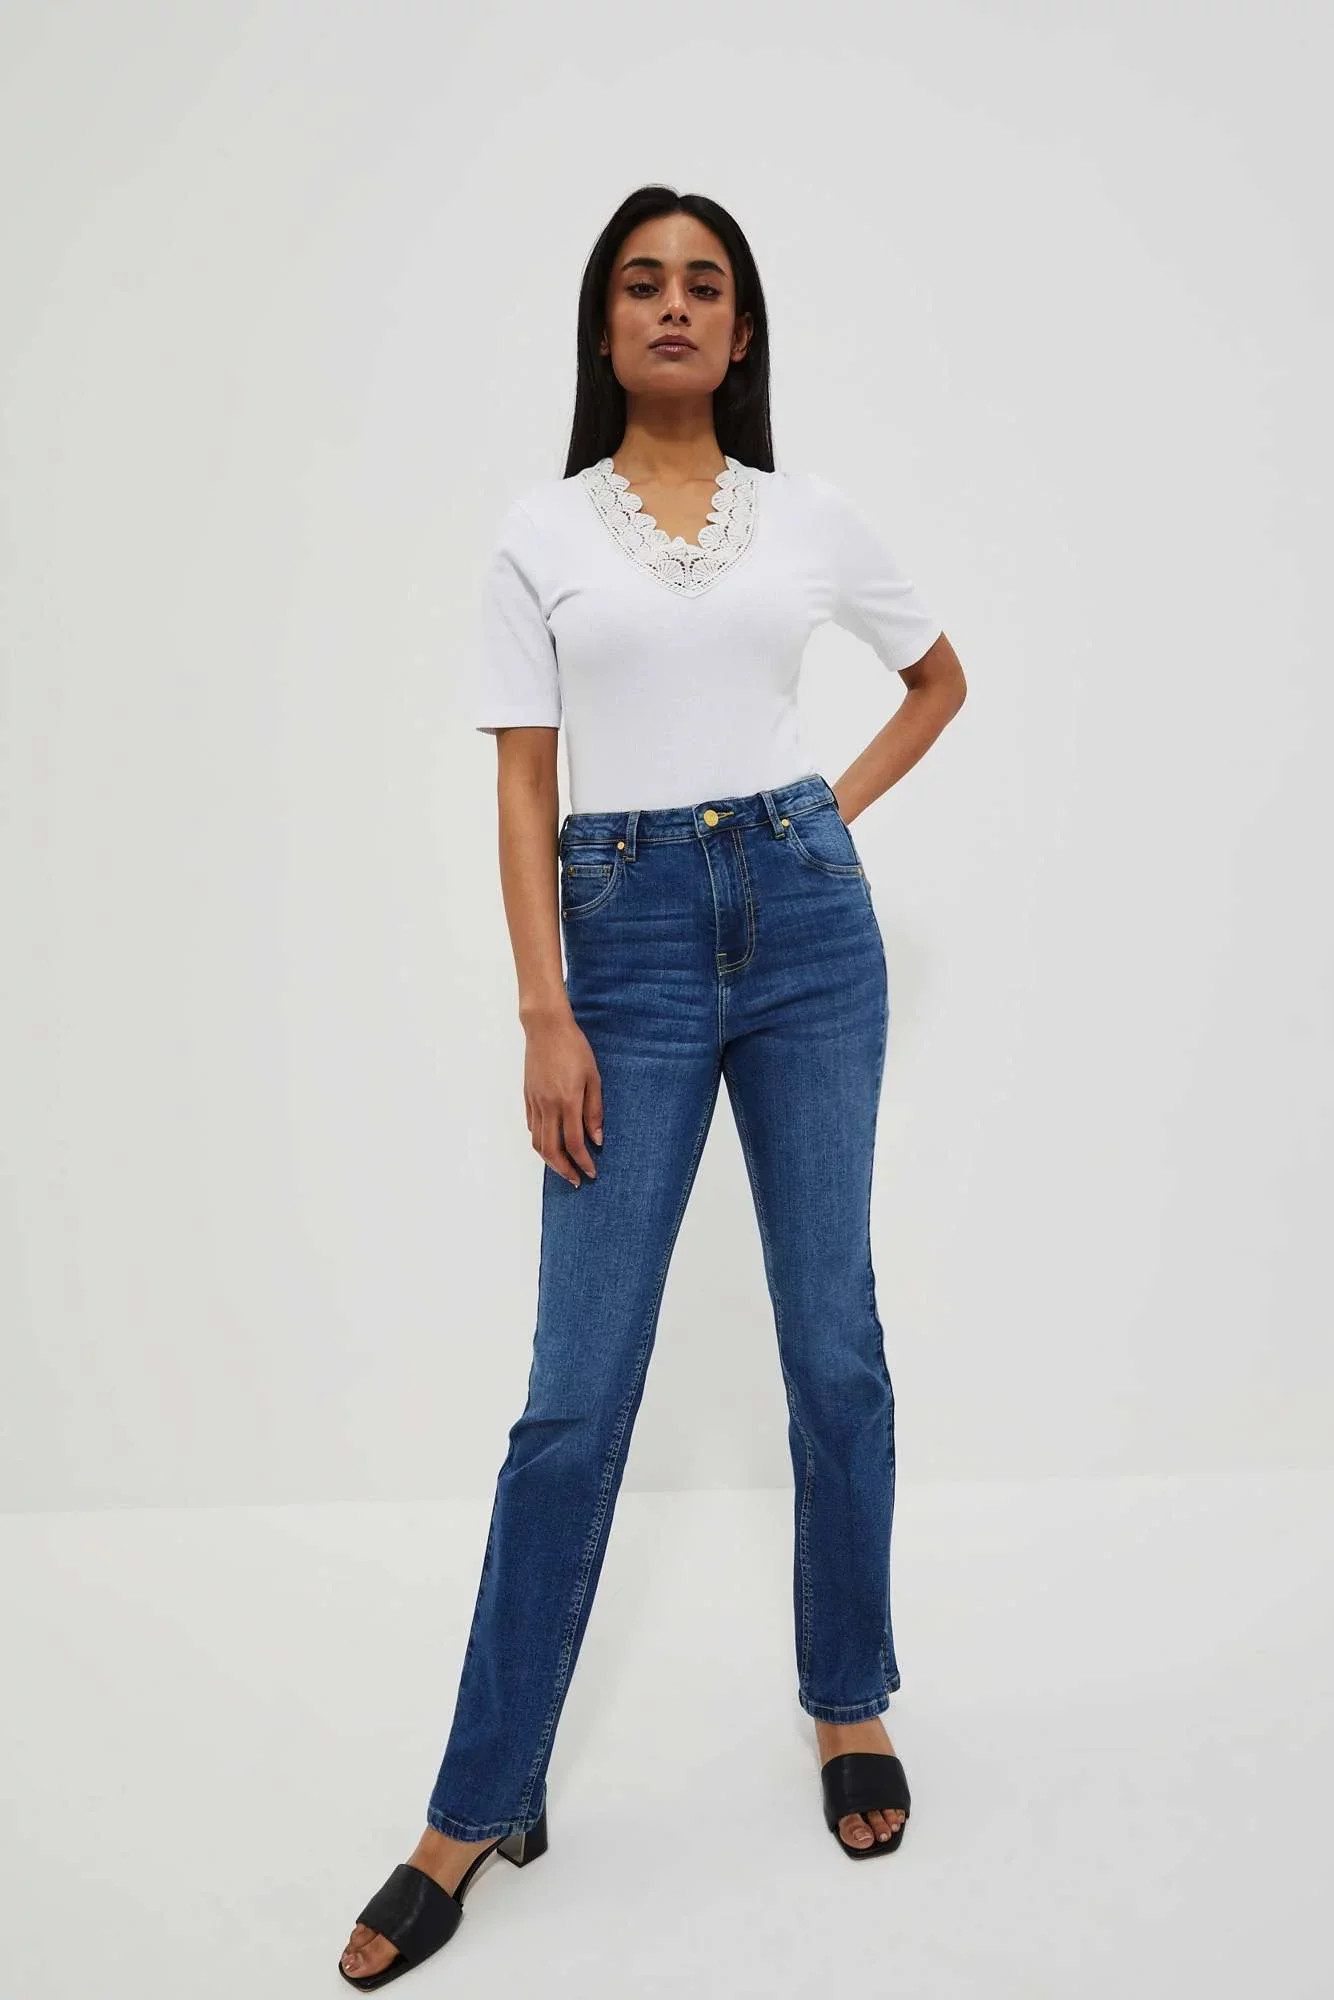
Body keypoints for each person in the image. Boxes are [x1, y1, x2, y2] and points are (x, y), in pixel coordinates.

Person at [339, 183, 966, 1987]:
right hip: (616, 948)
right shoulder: (541, 533)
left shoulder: (807, 515)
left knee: (831, 1344)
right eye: (642, 283)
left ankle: (846, 1697)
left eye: (704, 284)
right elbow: (522, 784)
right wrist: (544, 1008)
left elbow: (936, 681)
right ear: (604, 325)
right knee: (574, 1398)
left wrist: (820, 820)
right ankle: (479, 1801)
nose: (673, 306)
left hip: (806, 929)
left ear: (741, 329)